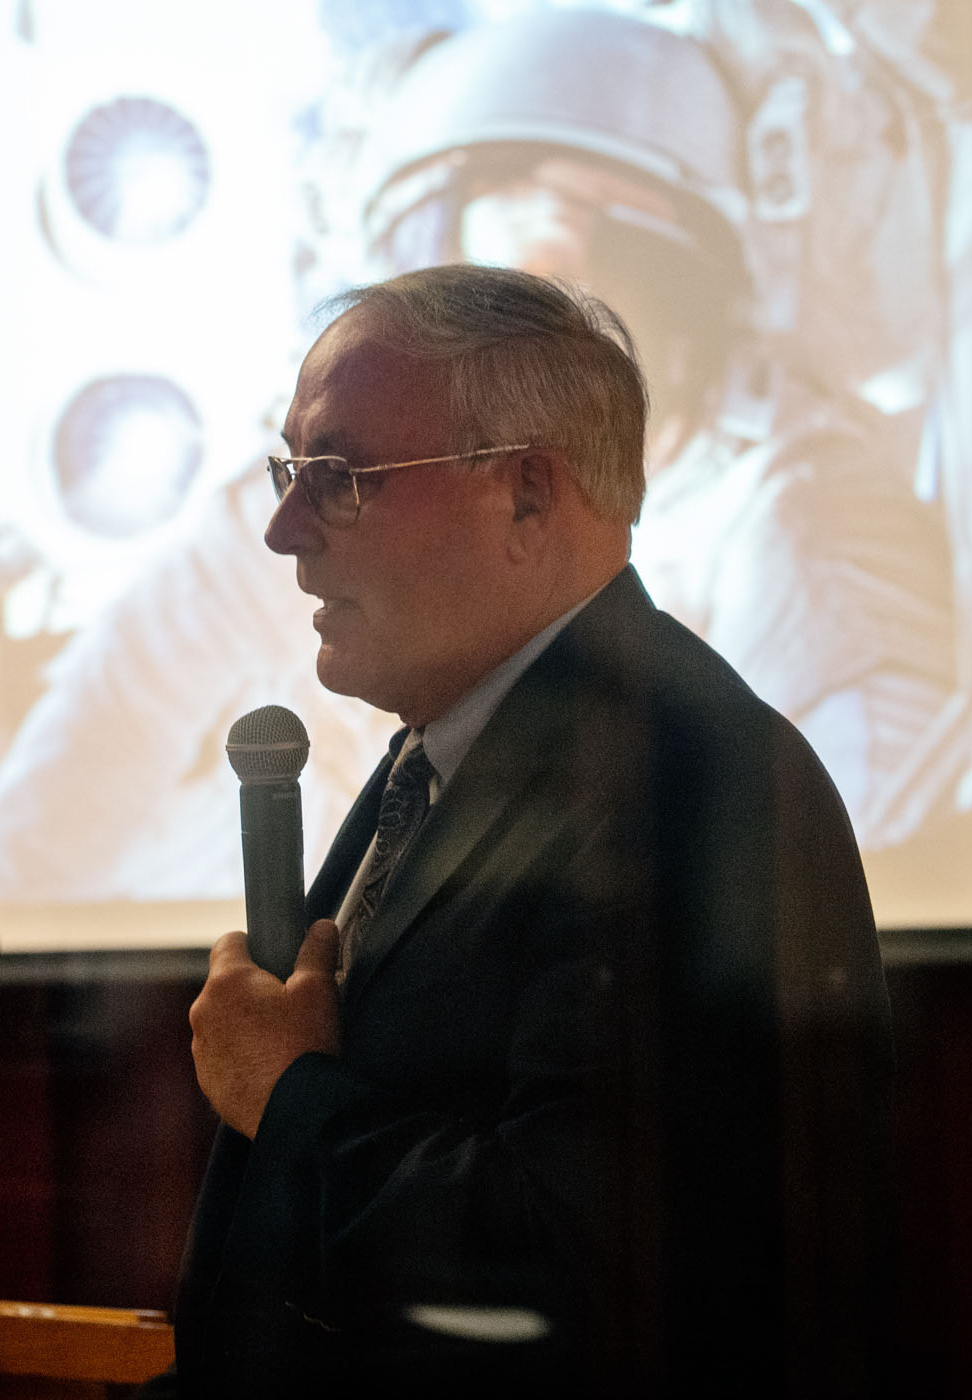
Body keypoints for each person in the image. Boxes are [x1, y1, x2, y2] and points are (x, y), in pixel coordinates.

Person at [137, 265, 894, 1397]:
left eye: (339, 476)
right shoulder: (457, 746)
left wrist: (290, 1099)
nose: (284, 529)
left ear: (529, 496)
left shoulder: (688, 779)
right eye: (292, 470)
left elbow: (590, 1275)